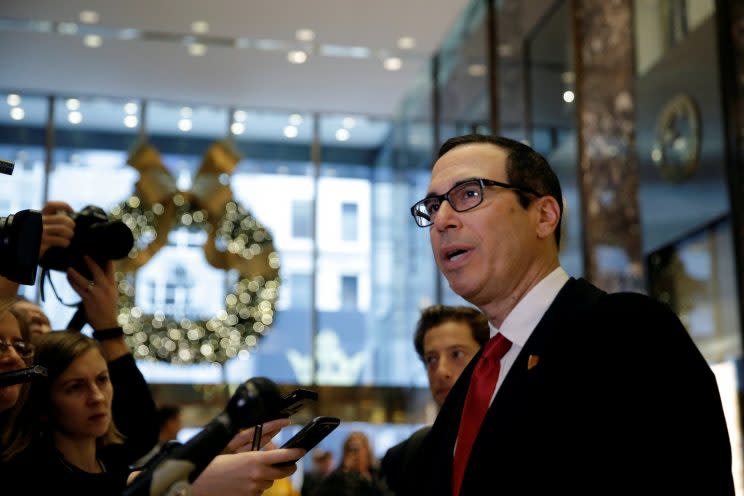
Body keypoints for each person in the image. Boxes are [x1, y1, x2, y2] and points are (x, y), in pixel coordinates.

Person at [405, 134, 734, 495]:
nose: (442, 221)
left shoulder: (627, 333)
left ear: (544, 216)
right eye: (433, 206)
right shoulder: (472, 383)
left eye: (469, 194)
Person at [379, 305, 488, 495]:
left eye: (457, 354)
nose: (441, 371)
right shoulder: (406, 457)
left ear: (488, 359)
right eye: (431, 359)